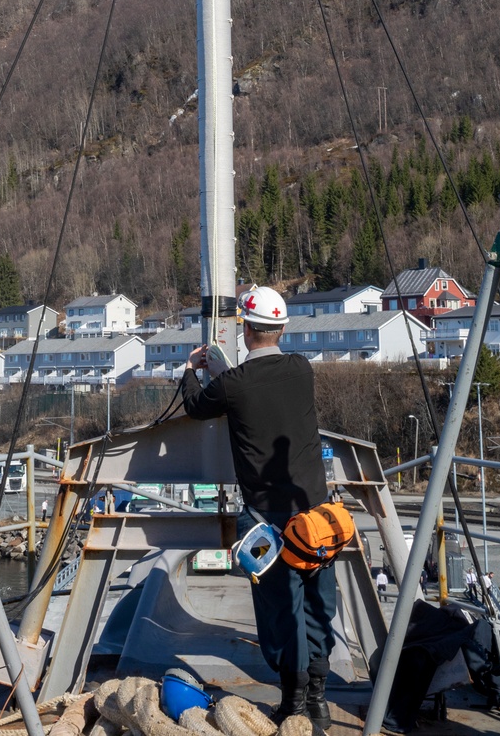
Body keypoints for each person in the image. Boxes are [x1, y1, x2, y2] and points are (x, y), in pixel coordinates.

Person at [181, 286, 335, 733]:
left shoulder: (231, 385)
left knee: (278, 609)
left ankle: (293, 704)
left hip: (267, 522)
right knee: (315, 605)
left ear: (245, 330)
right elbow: (264, 387)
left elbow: (197, 405)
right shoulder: (301, 370)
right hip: (315, 515)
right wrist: (229, 373)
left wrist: (192, 369)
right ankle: (319, 701)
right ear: (282, 328)